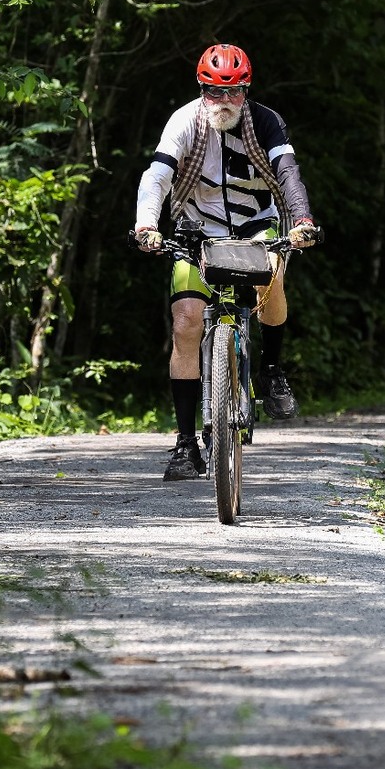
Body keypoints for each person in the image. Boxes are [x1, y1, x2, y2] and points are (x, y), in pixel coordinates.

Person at [134, 44, 320, 481]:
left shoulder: (266, 121)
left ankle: (271, 370)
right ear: (201, 89)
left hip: (256, 224)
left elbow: (288, 172)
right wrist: (146, 225)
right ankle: (185, 444)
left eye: (233, 91)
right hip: (195, 230)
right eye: (214, 92)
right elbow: (157, 175)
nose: (224, 101)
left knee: (272, 277)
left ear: (246, 89)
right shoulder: (184, 121)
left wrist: (303, 220)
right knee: (186, 320)